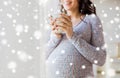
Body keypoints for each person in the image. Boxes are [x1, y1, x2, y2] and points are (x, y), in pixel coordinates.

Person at [46, 0, 106, 78]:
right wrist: (55, 37)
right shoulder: (56, 20)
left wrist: (72, 36)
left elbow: (101, 59)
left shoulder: (91, 20)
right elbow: (43, 56)